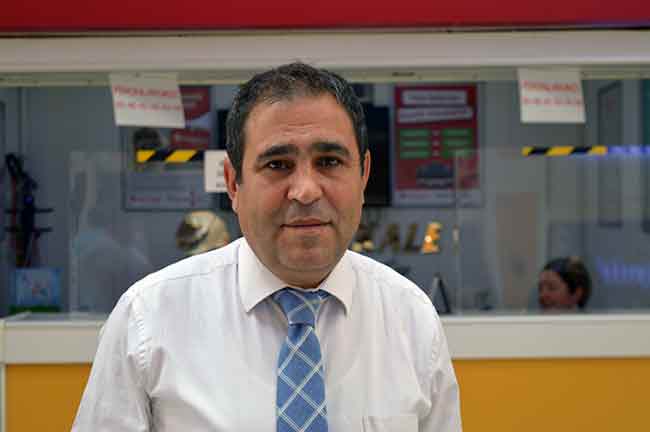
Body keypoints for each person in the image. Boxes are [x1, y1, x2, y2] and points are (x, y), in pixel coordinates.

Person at [73, 62, 461, 431]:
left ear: (363, 176)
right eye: (277, 165)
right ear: (233, 183)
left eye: (329, 161)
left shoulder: (412, 319)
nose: (306, 190)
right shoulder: (148, 319)